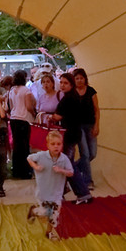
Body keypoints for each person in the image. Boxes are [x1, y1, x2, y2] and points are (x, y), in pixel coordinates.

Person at [48, 73, 92, 204]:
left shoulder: (68, 99)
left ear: (71, 85)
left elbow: (58, 116)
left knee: (68, 165)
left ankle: (83, 193)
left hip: (69, 135)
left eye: (65, 83)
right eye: (61, 82)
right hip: (71, 134)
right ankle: (64, 192)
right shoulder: (71, 97)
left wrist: (49, 117)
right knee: (66, 164)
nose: (62, 85)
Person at [26, 131, 75, 241]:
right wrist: (35, 167)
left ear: (62, 145)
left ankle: (48, 232)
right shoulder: (41, 156)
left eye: (59, 144)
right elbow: (29, 158)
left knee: (54, 216)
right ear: (48, 145)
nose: (56, 146)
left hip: (56, 194)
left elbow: (71, 172)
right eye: (53, 144)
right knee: (44, 213)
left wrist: (61, 170)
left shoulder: (64, 159)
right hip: (43, 193)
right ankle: (34, 211)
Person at [6, 70, 36, 180]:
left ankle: (16, 170)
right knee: (25, 146)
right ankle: (25, 171)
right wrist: (33, 113)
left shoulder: (12, 90)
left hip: (14, 119)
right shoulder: (26, 91)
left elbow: (10, 106)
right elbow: (28, 106)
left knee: (17, 146)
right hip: (24, 119)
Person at [74, 68, 100, 189]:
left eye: (81, 78)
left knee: (92, 153)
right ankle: (87, 180)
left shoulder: (91, 91)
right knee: (85, 153)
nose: (79, 80)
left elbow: (96, 109)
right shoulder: (72, 93)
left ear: (85, 79)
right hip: (78, 126)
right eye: (77, 78)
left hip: (90, 125)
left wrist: (96, 125)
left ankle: (73, 168)